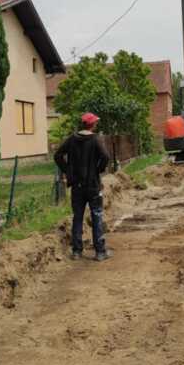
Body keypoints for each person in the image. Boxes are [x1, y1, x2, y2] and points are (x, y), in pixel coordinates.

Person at [54, 112, 112, 261]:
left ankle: (77, 251)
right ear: (92, 124)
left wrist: (68, 171)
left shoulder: (72, 139)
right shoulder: (95, 140)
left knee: (77, 217)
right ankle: (100, 252)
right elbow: (105, 157)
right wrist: (98, 170)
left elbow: (58, 155)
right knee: (97, 216)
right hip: (92, 185)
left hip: (77, 187)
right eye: (95, 122)